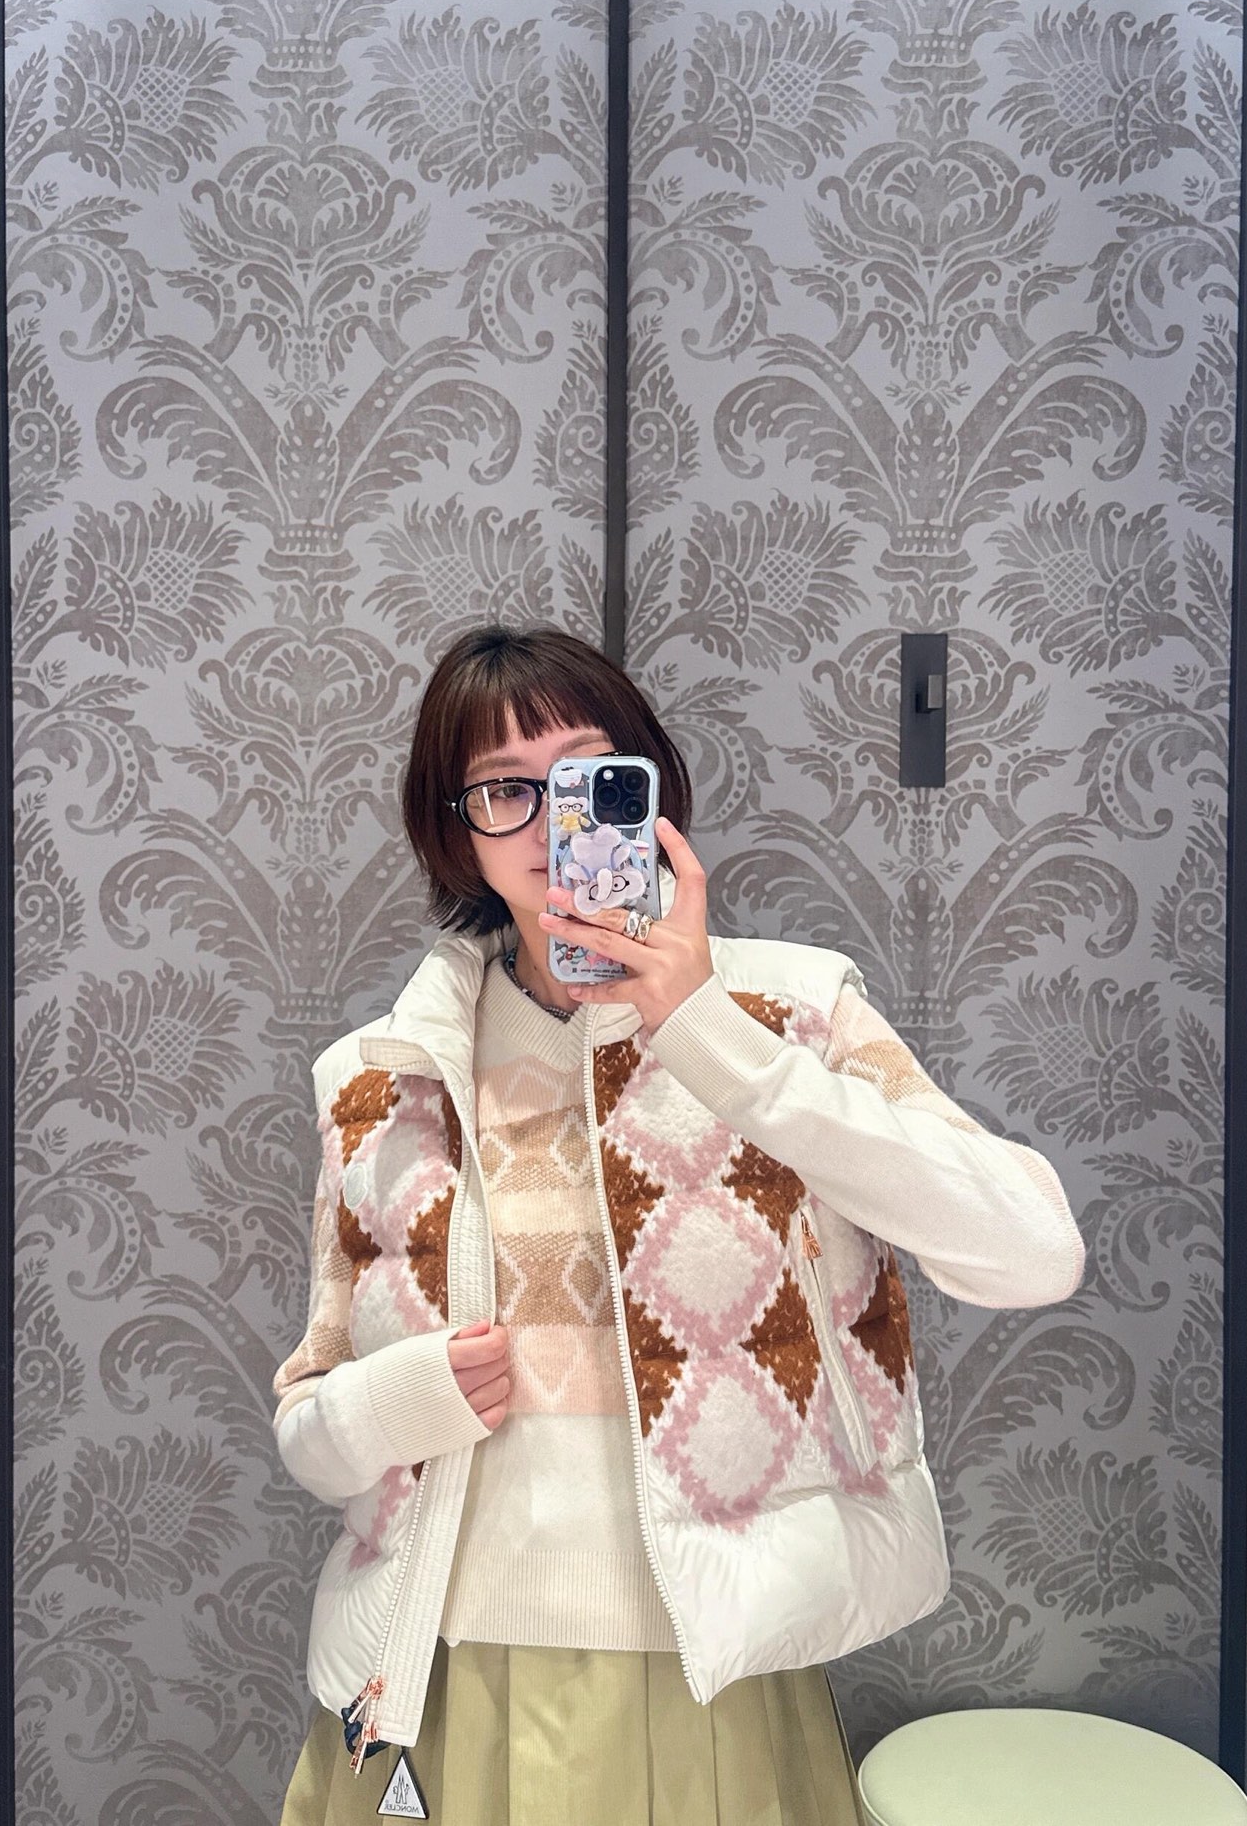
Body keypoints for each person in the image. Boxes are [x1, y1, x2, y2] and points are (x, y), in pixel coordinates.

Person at [273, 623, 1085, 1826]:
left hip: (708, 1678)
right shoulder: (379, 1079)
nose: (551, 822)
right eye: (503, 789)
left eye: (586, 777)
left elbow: (1032, 1250)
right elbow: (308, 1426)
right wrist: (400, 1401)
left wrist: (711, 1032)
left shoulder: (793, 1011)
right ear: (456, 829)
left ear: (648, 787)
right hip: (434, 1680)